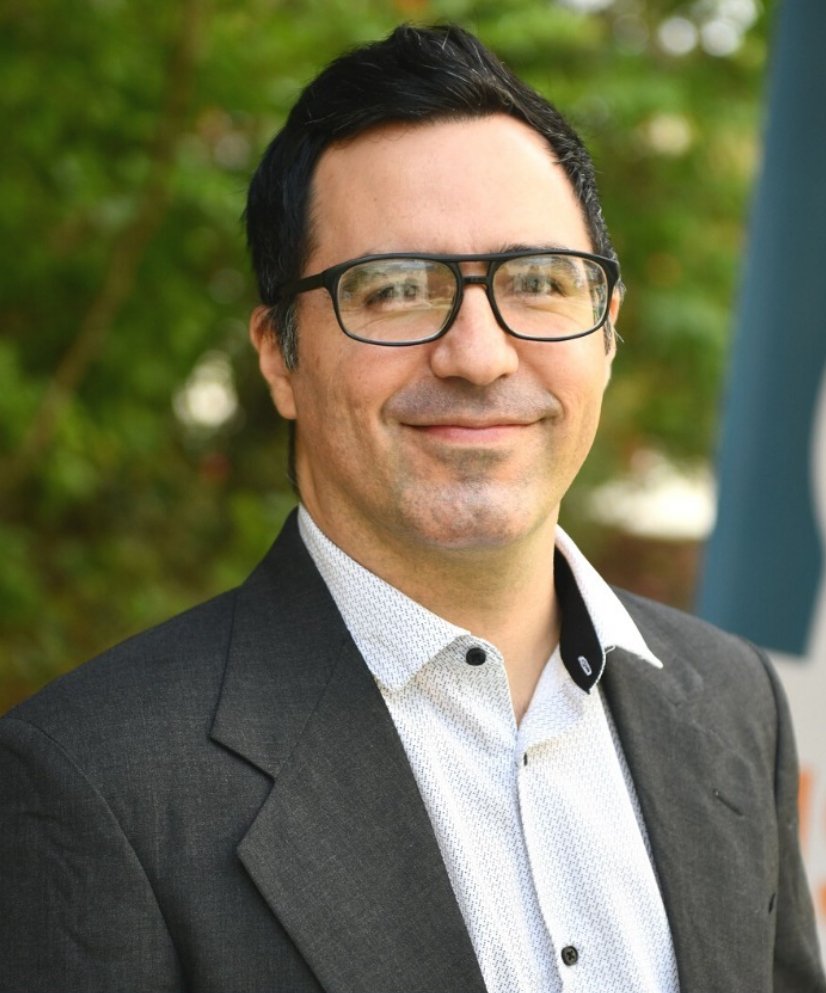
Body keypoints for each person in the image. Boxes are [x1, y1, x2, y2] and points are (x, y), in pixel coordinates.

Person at [0, 22, 823, 993]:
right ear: (278, 355)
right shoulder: (93, 782)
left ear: (607, 331)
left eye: (538, 282)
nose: (477, 355)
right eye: (393, 290)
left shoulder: (732, 703)